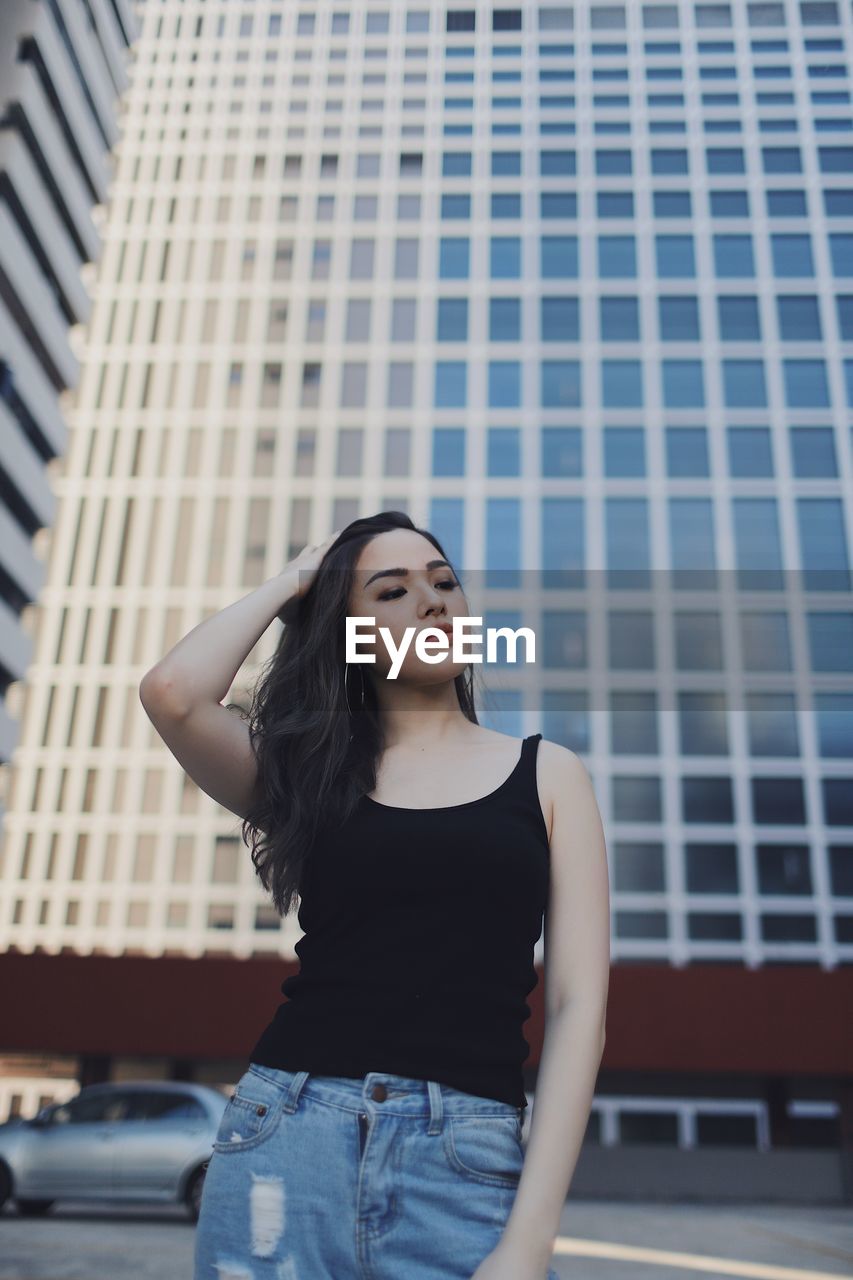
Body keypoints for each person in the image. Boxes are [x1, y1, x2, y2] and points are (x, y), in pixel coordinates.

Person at [139, 510, 610, 1280]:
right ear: (345, 633)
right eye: (390, 591)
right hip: (286, 1140)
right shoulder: (305, 774)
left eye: (444, 582)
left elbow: (577, 1009)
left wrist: (530, 1240)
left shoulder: (548, 774)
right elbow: (172, 694)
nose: (432, 601)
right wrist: (298, 578)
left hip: (465, 1159)